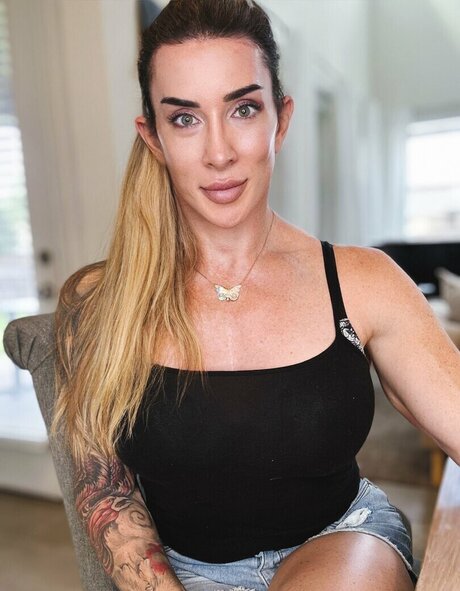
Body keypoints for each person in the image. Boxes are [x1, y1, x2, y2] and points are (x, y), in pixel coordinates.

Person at [52, 1, 460, 590]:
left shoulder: (362, 282)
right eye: (185, 118)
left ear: (281, 119)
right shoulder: (96, 303)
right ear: (154, 137)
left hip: (342, 544)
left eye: (243, 109)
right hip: (182, 571)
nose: (219, 152)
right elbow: (106, 494)